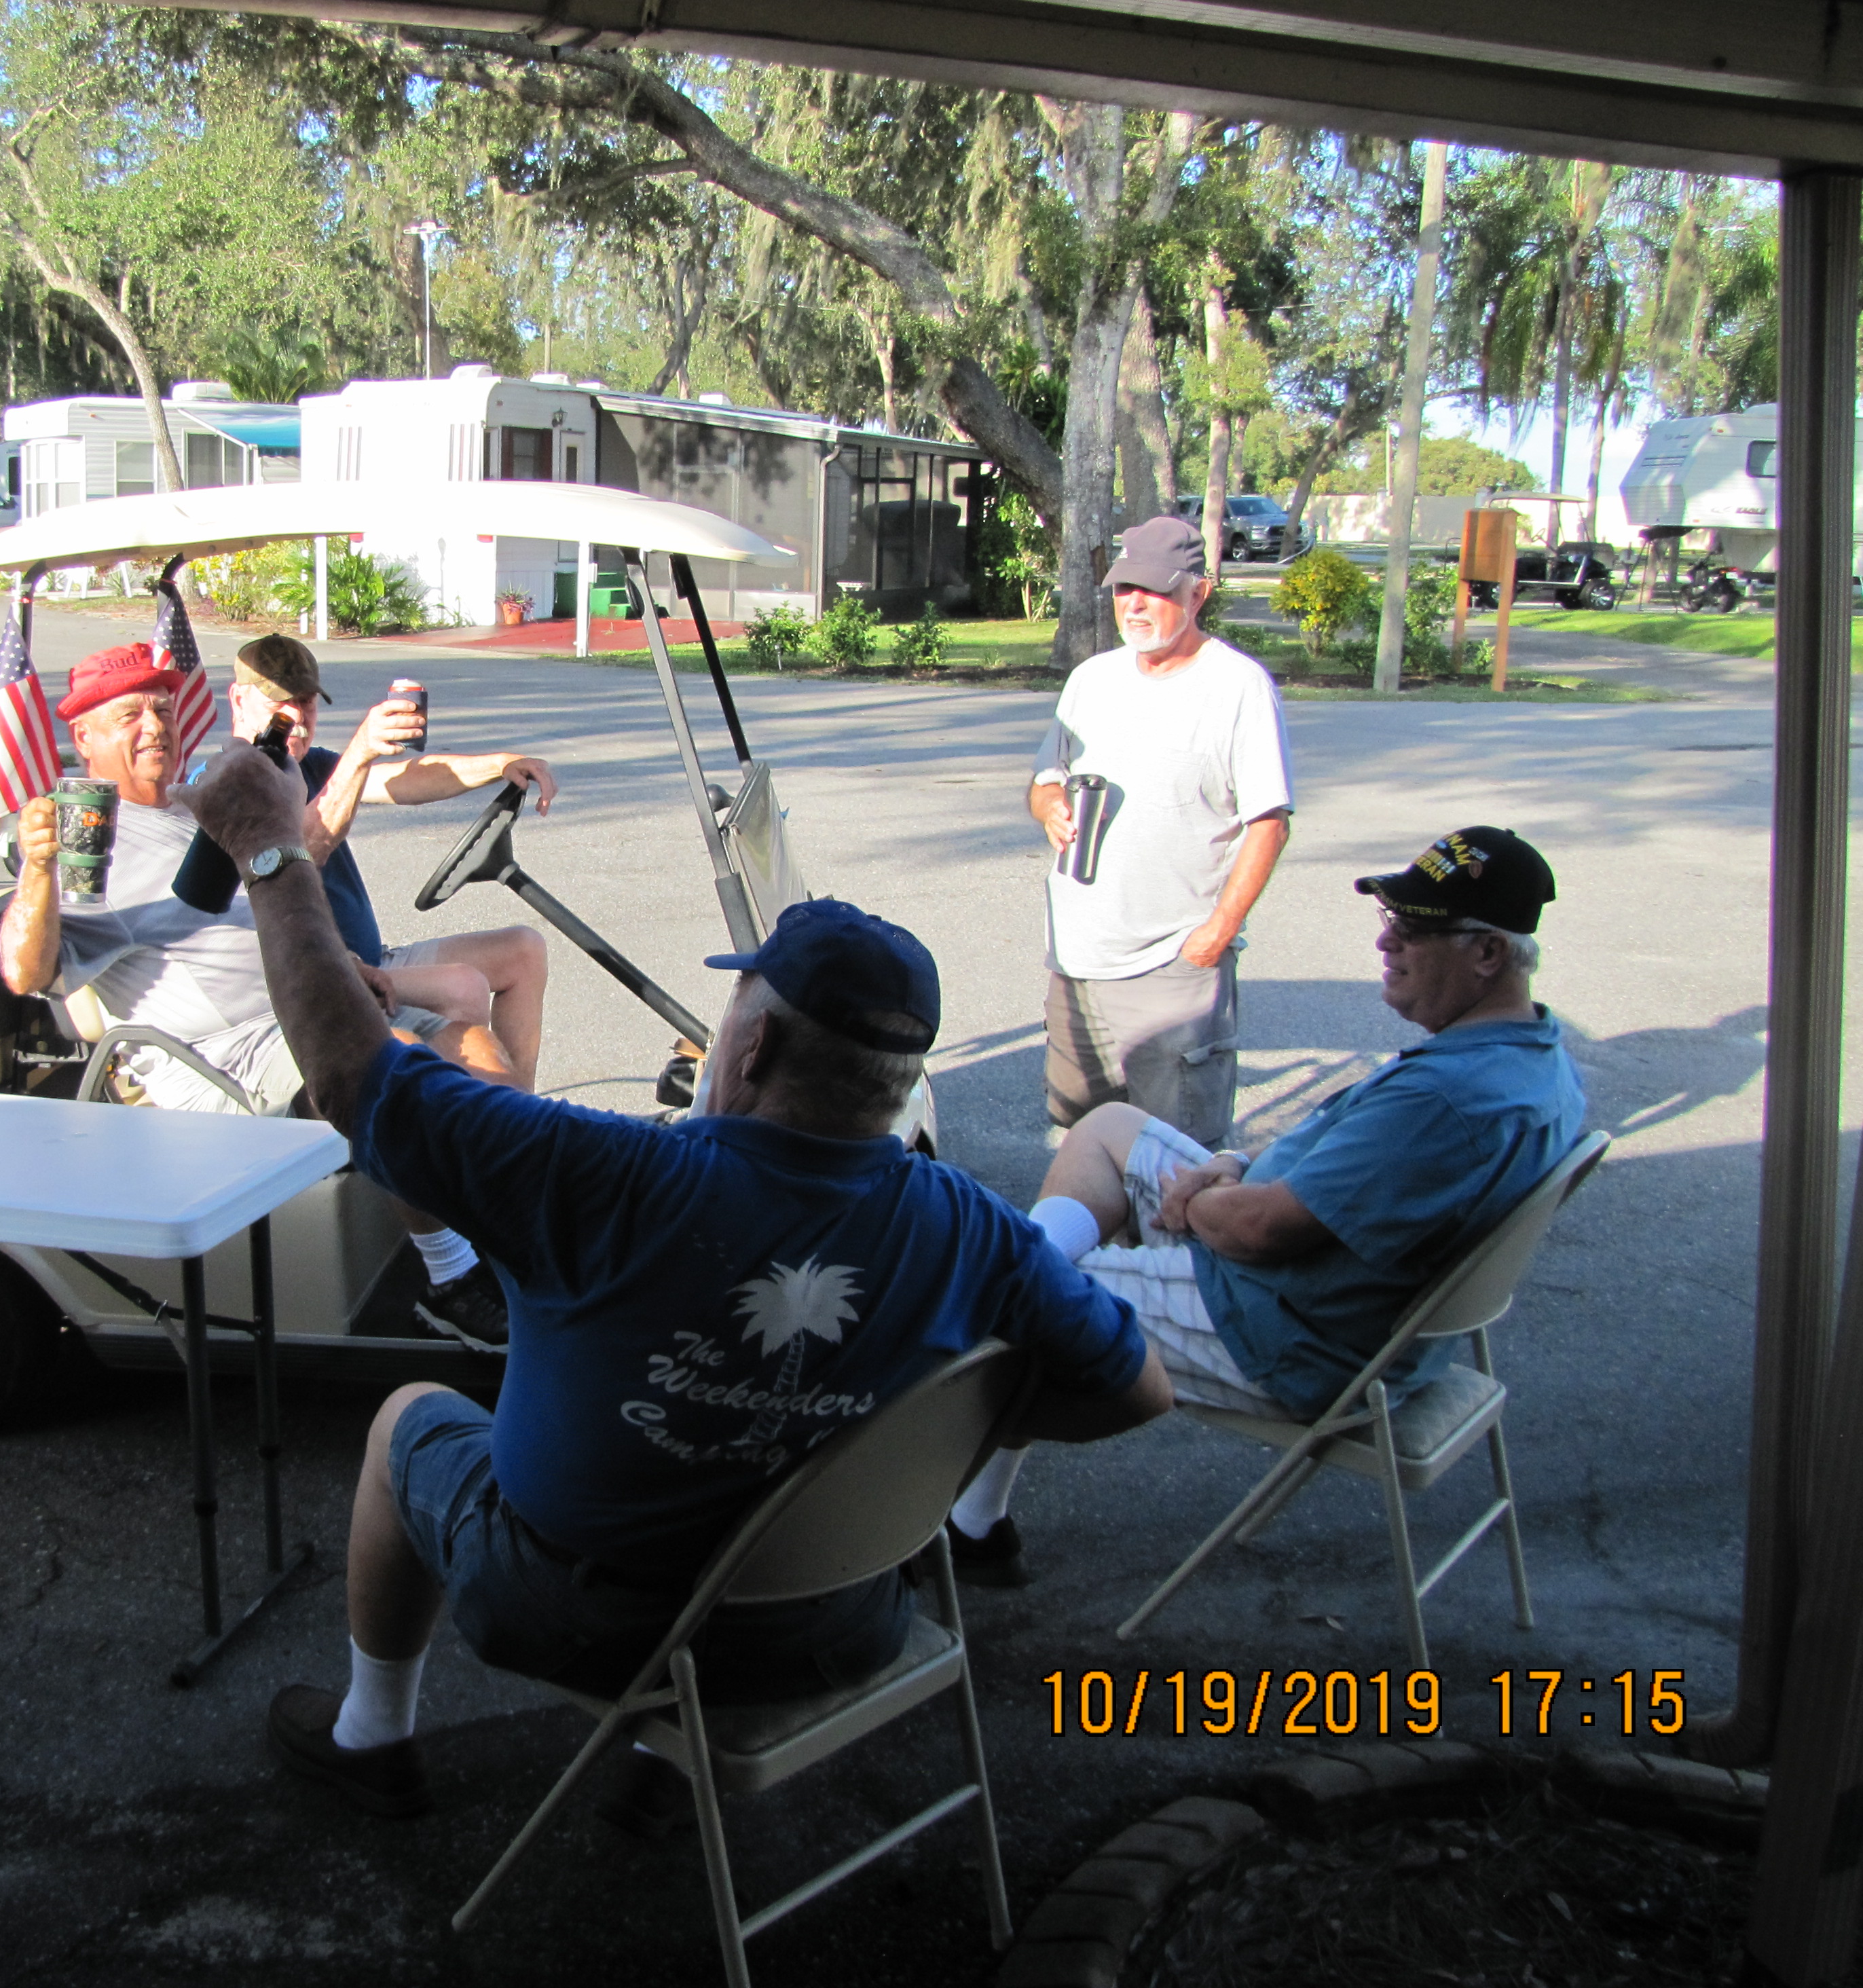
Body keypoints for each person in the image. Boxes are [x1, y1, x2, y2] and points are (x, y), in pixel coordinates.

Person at [173, 737, 1173, 1819]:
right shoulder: (978, 1235)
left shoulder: (603, 1178)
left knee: (411, 1417)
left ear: (748, 1053)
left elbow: (350, 1076)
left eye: (737, 1004)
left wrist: (273, 851)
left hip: (577, 1614)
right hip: (834, 1624)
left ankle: (370, 1738)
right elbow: (1135, 1392)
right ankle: (664, 1759)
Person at [946, 826, 1583, 1586]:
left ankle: (967, 1521)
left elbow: (1258, 1232)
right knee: (1105, 1128)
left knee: (1006, 1303)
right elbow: (1332, 1176)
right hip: (1336, 1295)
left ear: (1486, 956)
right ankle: (988, 1473)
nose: (1387, 944)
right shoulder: (1531, 1060)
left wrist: (1205, 1204)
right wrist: (1233, 1164)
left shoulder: (1447, 1100)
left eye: (1413, 931)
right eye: (1391, 923)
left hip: (1283, 1330)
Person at [0, 644, 514, 1348]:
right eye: (128, 716)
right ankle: (451, 1281)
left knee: (476, 1046)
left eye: (162, 709)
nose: (154, 726)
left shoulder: (198, 807)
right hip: (212, 1059)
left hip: (294, 1010)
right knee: (391, 1063)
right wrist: (37, 868)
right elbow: (27, 973)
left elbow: (279, 896)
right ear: (83, 737)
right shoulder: (86, 842)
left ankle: (510, 1239)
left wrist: (336, 965)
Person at [1028, 513, 1293, 1148]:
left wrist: (1216, 935)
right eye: (1124, 589)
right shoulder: (1091, 680)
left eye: (1155, 591)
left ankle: (1167, 1252)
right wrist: (1047, 805)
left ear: (1198, 593)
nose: (1135, 604)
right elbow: (1046, 775)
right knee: (1080, 1140)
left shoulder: (1238, 687)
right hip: (1076, 959)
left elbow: (1269, 823)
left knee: (1176, 1160)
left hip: (1173, 966)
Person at [227, 633, 554, 1094]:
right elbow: (301, 847)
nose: (297, 717)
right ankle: (493, 1127)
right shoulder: (232, 782)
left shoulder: (312, 766)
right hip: (323, 977)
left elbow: (406, 778)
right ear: (239, 699)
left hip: (374, 957)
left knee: (523, 949)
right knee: (462, 988)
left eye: (306, 702)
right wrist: (361, 751)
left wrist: (501, 764)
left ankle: (524, 1114)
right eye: (281, 702)